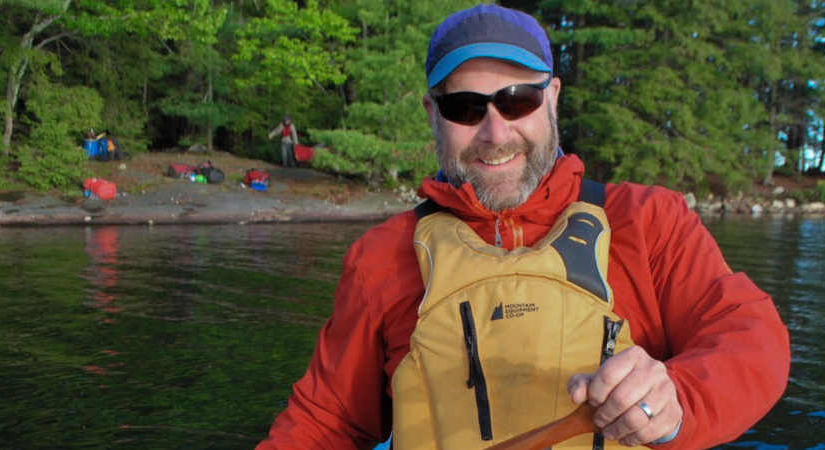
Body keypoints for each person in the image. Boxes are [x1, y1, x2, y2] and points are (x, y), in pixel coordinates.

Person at [257, 5, 789, 450]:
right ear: (431, 114)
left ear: (552, 97)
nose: (495, 131)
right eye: (465, 107)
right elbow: (324, 423)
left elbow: (752, 337)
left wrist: (678, 398)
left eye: (518, 100)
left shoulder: (649, 222)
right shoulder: (381, 258)